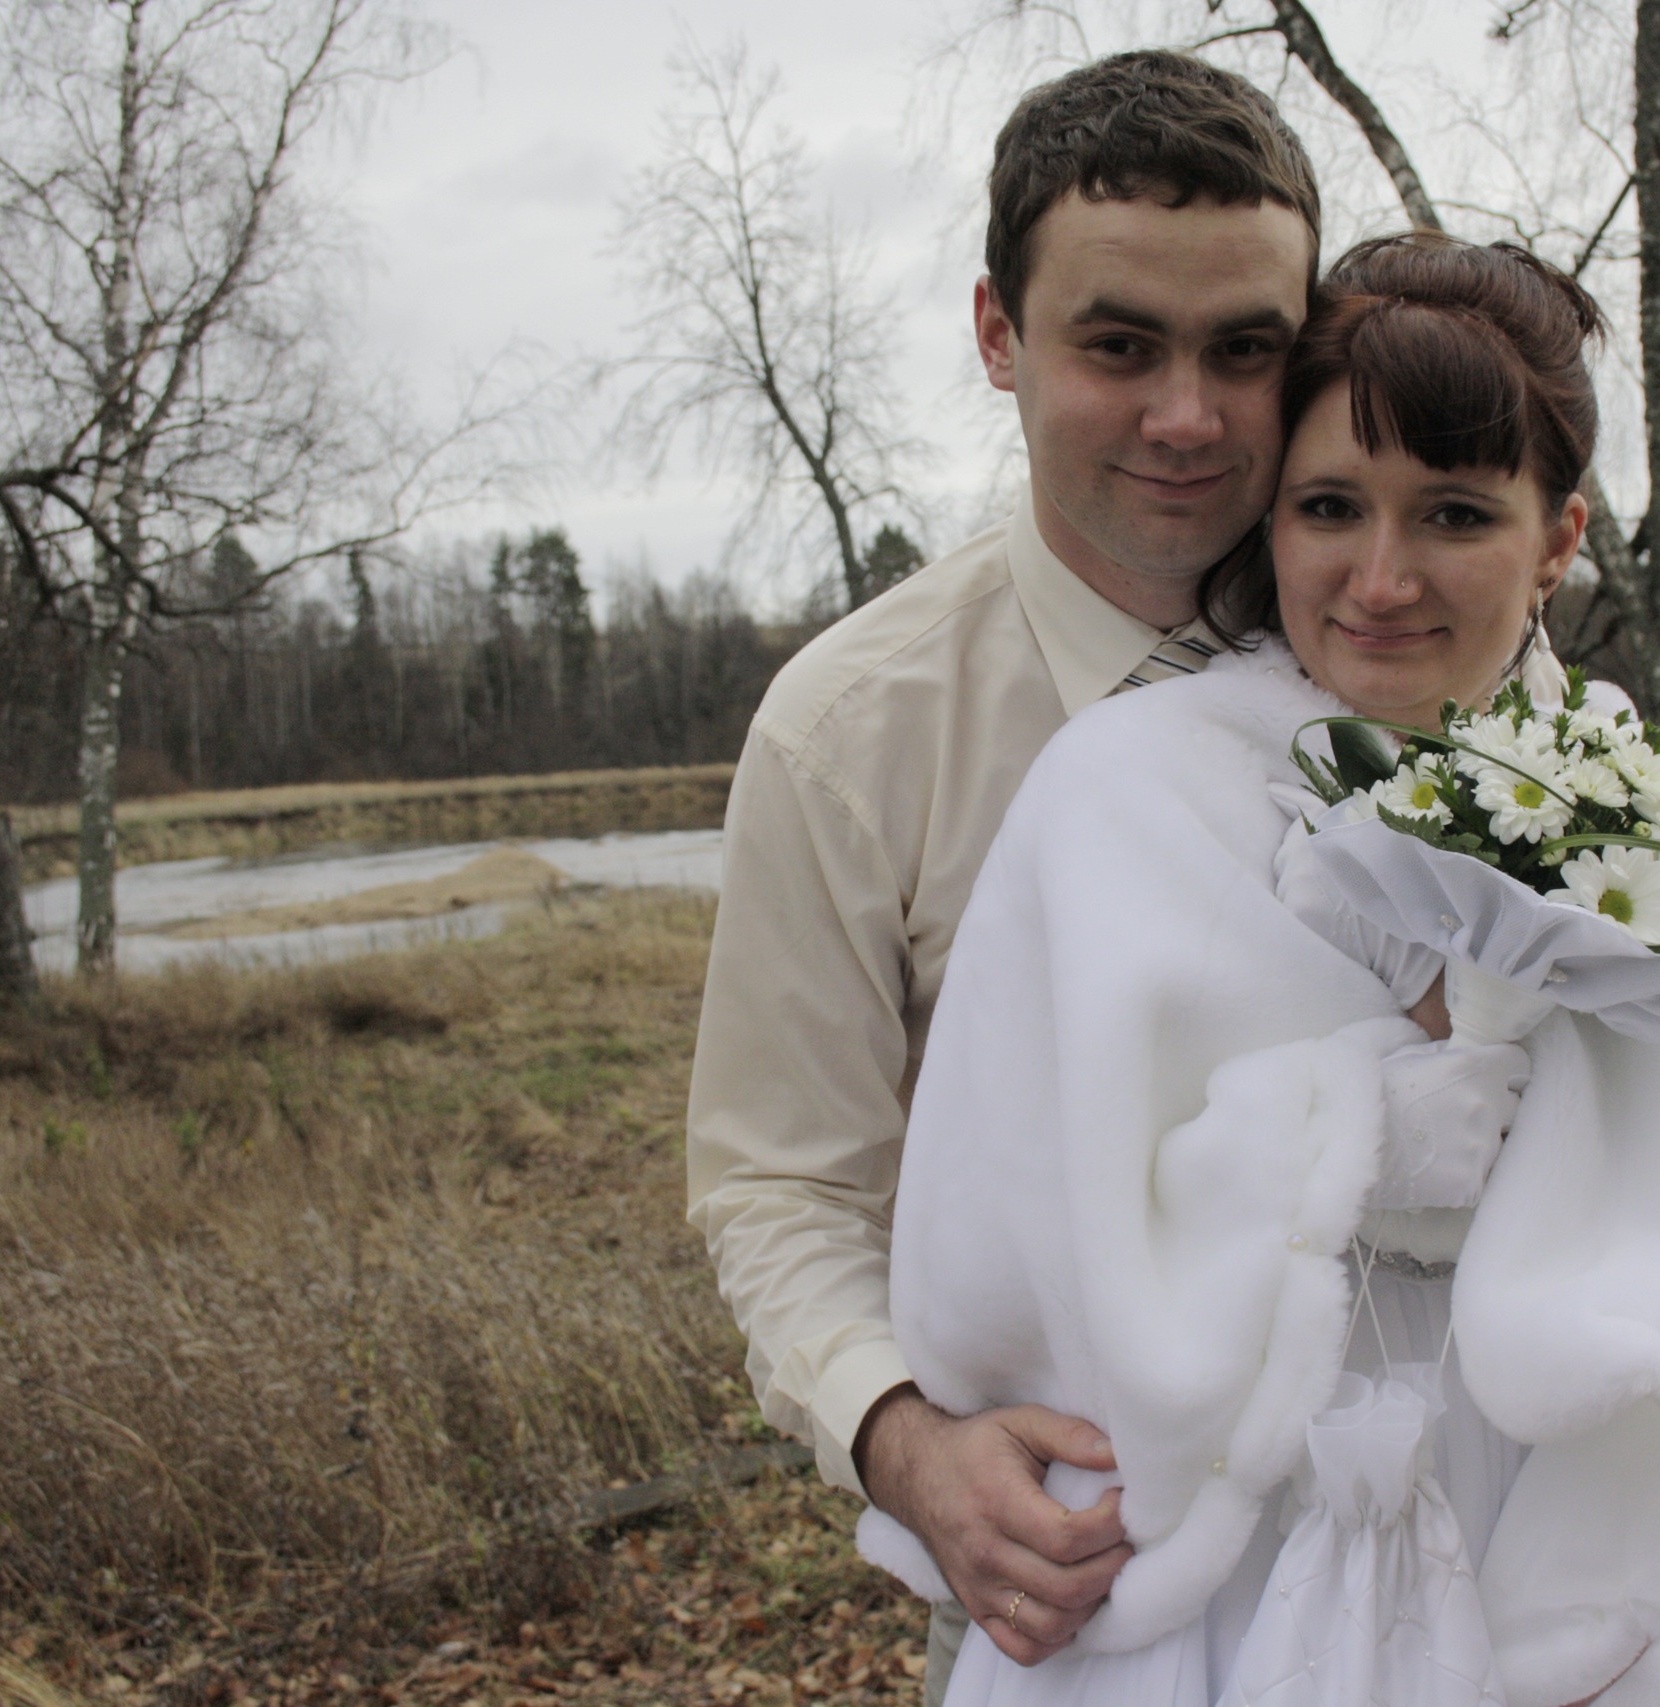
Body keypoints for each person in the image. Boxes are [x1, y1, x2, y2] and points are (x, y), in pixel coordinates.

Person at [860, 234, 1660, 1706]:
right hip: (1215, 1574)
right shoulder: (1117, 797)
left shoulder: (1626, 827)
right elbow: (1011, 1243)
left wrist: (1546, 1111)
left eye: (1454, 513)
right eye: (1330, 507)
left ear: (1559, 537)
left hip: (1555, 1535)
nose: (1380, 579)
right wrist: (1349, 1135)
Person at [687, 51, 1516, 1701]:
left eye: (1245, 350)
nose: (1188, 416)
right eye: (1119, 345)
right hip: (1081, 1580)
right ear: (998, 334)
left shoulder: (1432, 635)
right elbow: (780, 1181)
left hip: (1460, 1545)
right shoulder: (852, 736)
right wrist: (903, 1440)